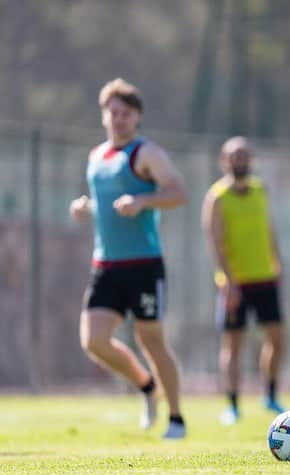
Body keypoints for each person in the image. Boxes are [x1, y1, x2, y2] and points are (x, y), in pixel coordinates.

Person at [69, 78, 189, 439]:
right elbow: (104, 199)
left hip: (143, 265)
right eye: (113, 112)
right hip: (105, 265)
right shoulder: (96, 157)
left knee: (152, 339)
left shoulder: (146, 153)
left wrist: (142, 202)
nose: (118, 119)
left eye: (126, 113)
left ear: (137, 117)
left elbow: (178, 193)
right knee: (94, 341)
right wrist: (85, 207)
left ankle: (177, 418)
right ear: (104, 116)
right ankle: (146, 386)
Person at [201, 137, 286, 425]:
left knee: (276, 338)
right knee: (233, 345)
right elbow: (214, 242)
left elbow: (269, 229)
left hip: (265, 277)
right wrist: (228, 280)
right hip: (235, 283)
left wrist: (277, 263)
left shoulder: (261, 190)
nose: (239, 160)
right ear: (224, 161)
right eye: (233, 156)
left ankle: (270, 395)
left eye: (244, 155)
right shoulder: (217, 197)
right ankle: (233, 405)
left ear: (251, 160)